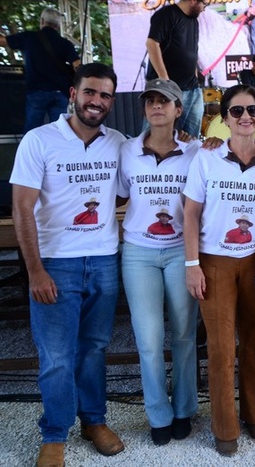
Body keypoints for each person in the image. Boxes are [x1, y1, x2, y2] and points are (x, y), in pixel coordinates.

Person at [9, 63, 126, 467]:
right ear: (73, 93)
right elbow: (21, 208)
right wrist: (35, 270)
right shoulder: (39, 140)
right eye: (90, 92)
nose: (97, 101)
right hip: (55, 263)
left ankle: (93, 421)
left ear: (112, 101)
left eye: (105, 95)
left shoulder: (117, 143)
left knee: (94, 348)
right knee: (57, 355)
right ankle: (55, 433)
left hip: (104, 259)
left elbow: (131, 186)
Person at [183, 85, 255, 456]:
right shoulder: (207, 157)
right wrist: (192, 265)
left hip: (254, 262)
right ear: (224, 118)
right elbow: (190, 214)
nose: (245, 117)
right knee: (221, 347)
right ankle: (225, 427)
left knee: (253, 341)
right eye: (237, 111)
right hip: (214, 261)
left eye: (252, 110)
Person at [117, 78, 201, 445]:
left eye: (164, 101)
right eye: (150, 100)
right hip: (139, 252)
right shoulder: (127, 150)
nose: (156, 106)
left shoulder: (197, 151)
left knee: (183, 333)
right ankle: (158, 414)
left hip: (182, 251)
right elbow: (119, 194)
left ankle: (184, 409)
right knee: (148, 338)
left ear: (178, 109)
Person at [145, 0, 211, 138]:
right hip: (170, 88)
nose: (204, 9)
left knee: (191, 137)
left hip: (192, 87)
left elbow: (192, 50)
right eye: (204, 4)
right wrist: (165, 79)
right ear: (194, 0)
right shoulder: (167, 14)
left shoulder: (194, 21)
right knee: (159, 135)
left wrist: (195, 75)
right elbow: (152, 44)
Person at [0, 7, 80, 133]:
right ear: (58, 25)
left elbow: (2, 41)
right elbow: (77, 65)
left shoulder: (28, 37)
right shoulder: (65, 43)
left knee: (32, 131)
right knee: (59, 131)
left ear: (42, 21)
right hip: (60, 92)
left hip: (36, 91)